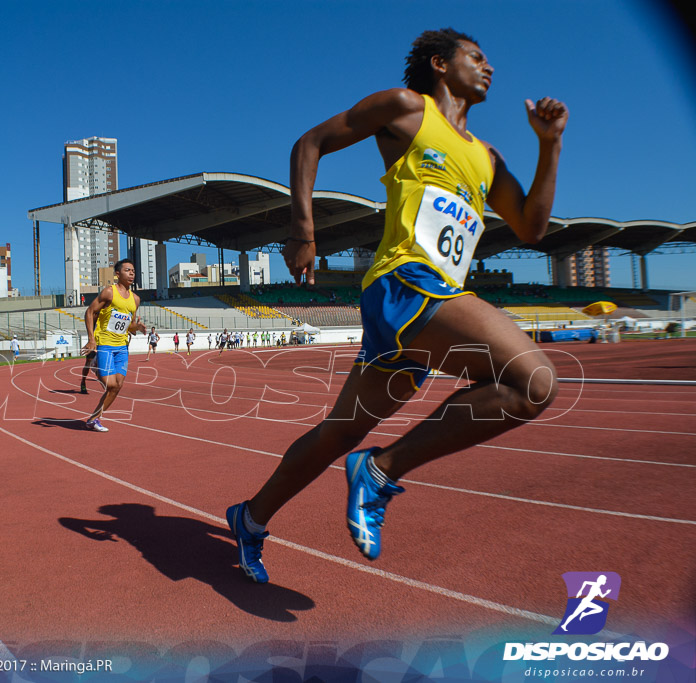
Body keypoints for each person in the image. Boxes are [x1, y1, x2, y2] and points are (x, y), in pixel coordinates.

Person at [226, 28, 568, 583]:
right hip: (406, 282)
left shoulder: (488, 158)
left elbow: (531, 227)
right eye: (477, 58)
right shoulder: (407, 108)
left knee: (338, 434)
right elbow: (309, 143)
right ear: (440, 63)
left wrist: (550, 145)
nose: (490, 68)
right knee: (534, 381)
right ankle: (381, 472)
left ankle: (251, 518)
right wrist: (303, 229)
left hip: (424, 303)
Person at [81, 259, 146, 432]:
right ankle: (94, 365)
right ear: (118, 273)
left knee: (117, 386)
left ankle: (93, 419)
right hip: (105, 344)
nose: (131, 273)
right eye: (127, 270)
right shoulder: (109, 292)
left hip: (122, 347)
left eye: (133, 270)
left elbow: (129, 326)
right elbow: (90, 311)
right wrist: (91, 339)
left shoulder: (136, 299)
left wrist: (137, 327)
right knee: (110, 384)